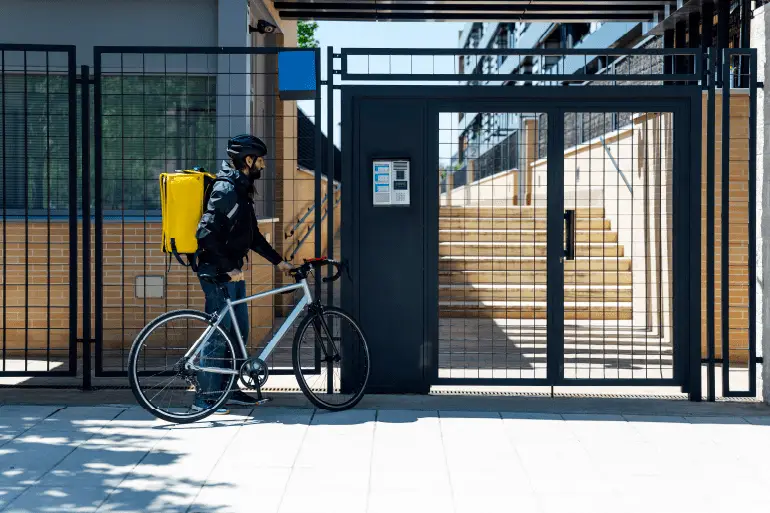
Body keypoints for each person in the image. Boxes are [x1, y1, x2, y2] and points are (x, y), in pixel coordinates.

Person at [193, 134, 294, 412]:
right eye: (260, 159)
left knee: (238, 332)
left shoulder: (242, 189)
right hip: (217, 273)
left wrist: (279, 262)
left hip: (232, 273)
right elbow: (204, 234)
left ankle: (228, 390)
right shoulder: (226, 191)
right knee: (219, 333)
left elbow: (253, 237)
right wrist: (228, 268)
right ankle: (205, 398)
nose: (263, 164)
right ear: (247, 160)